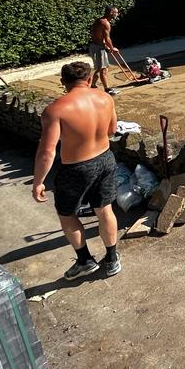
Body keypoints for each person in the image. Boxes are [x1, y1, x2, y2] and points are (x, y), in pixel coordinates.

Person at [32, 61, 122, 279]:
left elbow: (47, 152)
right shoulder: (105, 98)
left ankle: (84, 261)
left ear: (63, 82)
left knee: (67, 214)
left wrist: (38, 182)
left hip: (76, 168)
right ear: (89, 79)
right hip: (105, 159)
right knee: (105, 210)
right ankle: (112, 259)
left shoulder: (55, 110)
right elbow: (112, 130)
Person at [89, 6, 120, 96]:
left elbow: (97, 35)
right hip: (98, 48)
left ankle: (92, 85)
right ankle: (107, 89)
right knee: (104, 69)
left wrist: (105, 45)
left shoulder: (99, 21)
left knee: (99, 68)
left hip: (94, 46)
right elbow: (107, 38)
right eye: (116, 12)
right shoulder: (105, 23)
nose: (117, 14)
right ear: (111, 13)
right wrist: (112, 48)